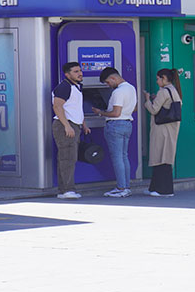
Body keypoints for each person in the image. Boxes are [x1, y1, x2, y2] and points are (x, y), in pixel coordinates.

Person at [92, 67, 138, 198]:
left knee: (117, 157)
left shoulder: (118, 92)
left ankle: (121, 188)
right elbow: (134, 108)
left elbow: (116, 113)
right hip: (127, 124)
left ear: (113, 78)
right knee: (124, 156)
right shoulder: (131, 88)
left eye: (107, 82)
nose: (108, 85)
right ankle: (126, 186)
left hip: (116, 125)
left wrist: (100, 112)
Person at [51, 62, 91, 199]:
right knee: (67, 158)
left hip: (74, 125)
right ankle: (67, 190)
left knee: (69, 157)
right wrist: (67, 125)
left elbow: (76, 108)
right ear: (67, 74)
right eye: (75, 71)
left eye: (80, 70)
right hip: (65, 126)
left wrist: (83, 124)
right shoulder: (64, 87)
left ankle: (64, 190)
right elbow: (57, 107)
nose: (80, 73)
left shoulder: (77, 87)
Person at [143, 68, 182, 197]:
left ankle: (164, 190)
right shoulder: (173, 90)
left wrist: (147, 100)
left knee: (161, 158)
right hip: (170, 129)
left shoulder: (163, 91)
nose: (157, 81)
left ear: (164, 78)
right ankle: (154, 187)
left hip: (162, 129)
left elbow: (153, 110)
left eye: (158, 78)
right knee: (164, 156)